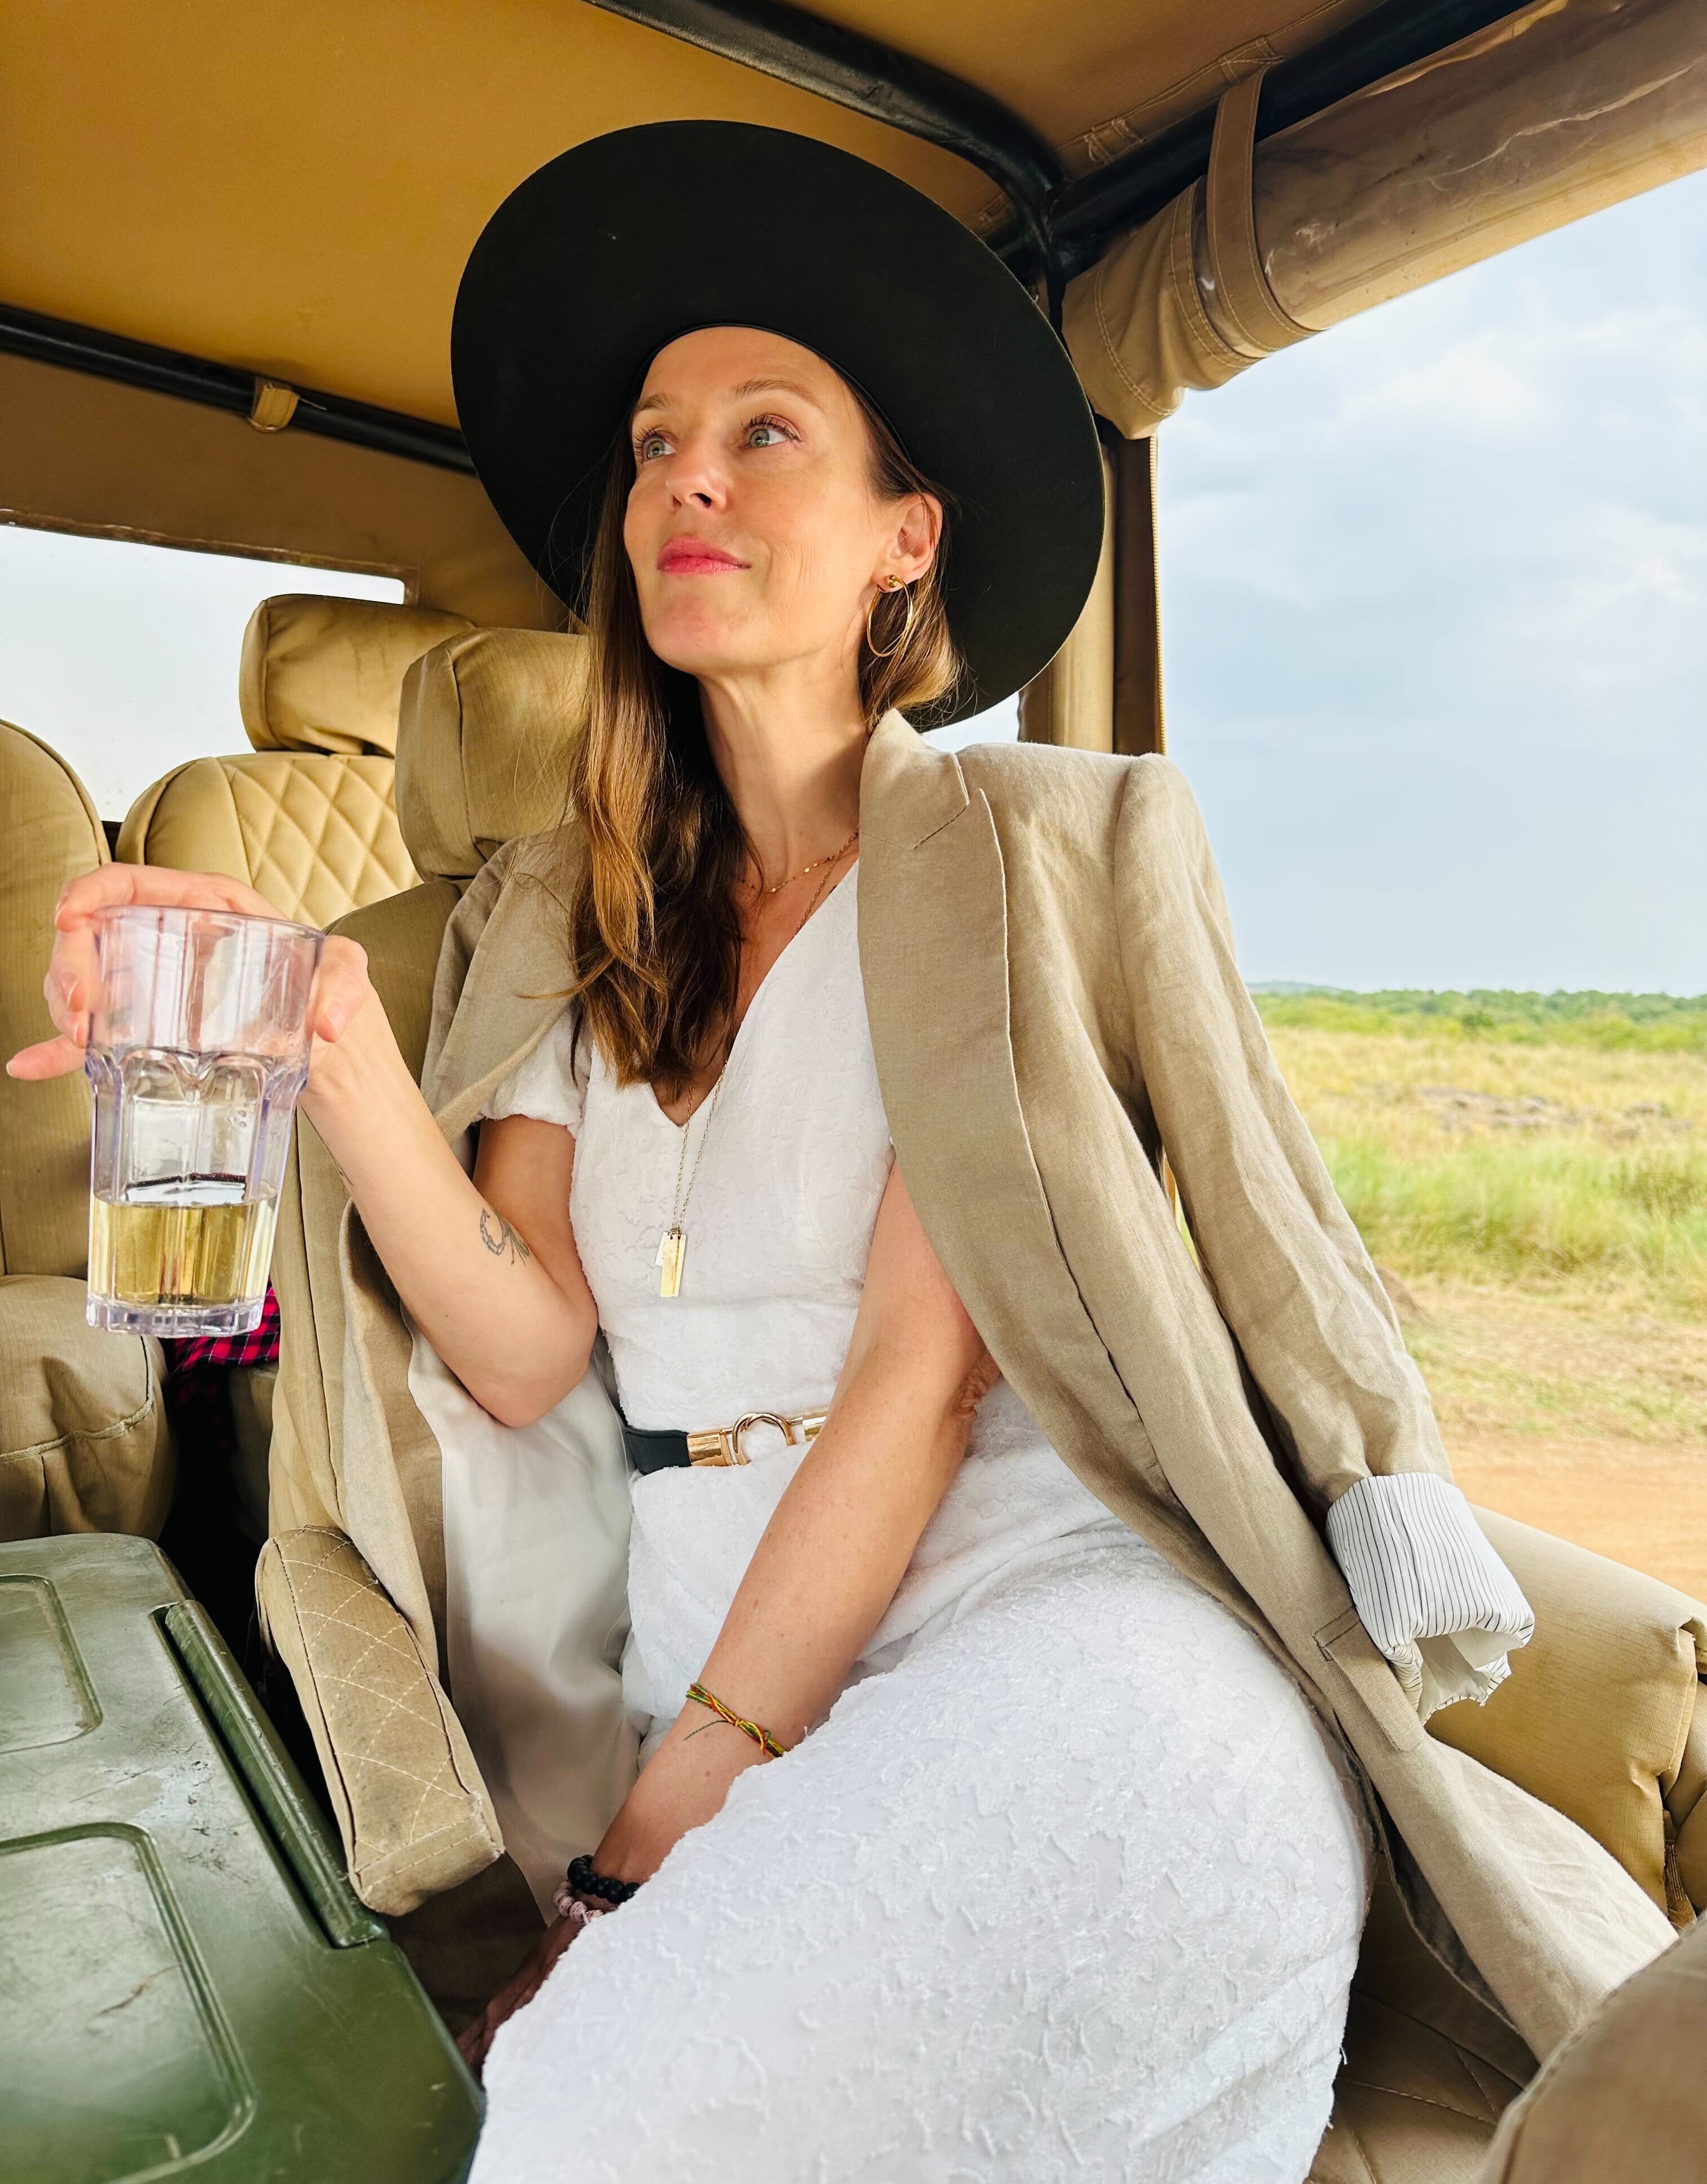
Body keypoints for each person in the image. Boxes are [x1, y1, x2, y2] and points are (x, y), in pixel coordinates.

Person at [18, 123, 1661, 2183]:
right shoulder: (555, 924)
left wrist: (643, 1857)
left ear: (905, 539)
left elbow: (914, 1388)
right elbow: (523, 1352)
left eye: (764, 433)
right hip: (705, 1625)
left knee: (589, 2124)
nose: (682, 480)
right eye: (650, 444)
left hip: (1053, 1614)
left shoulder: (1009, 873)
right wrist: (330, 1034)